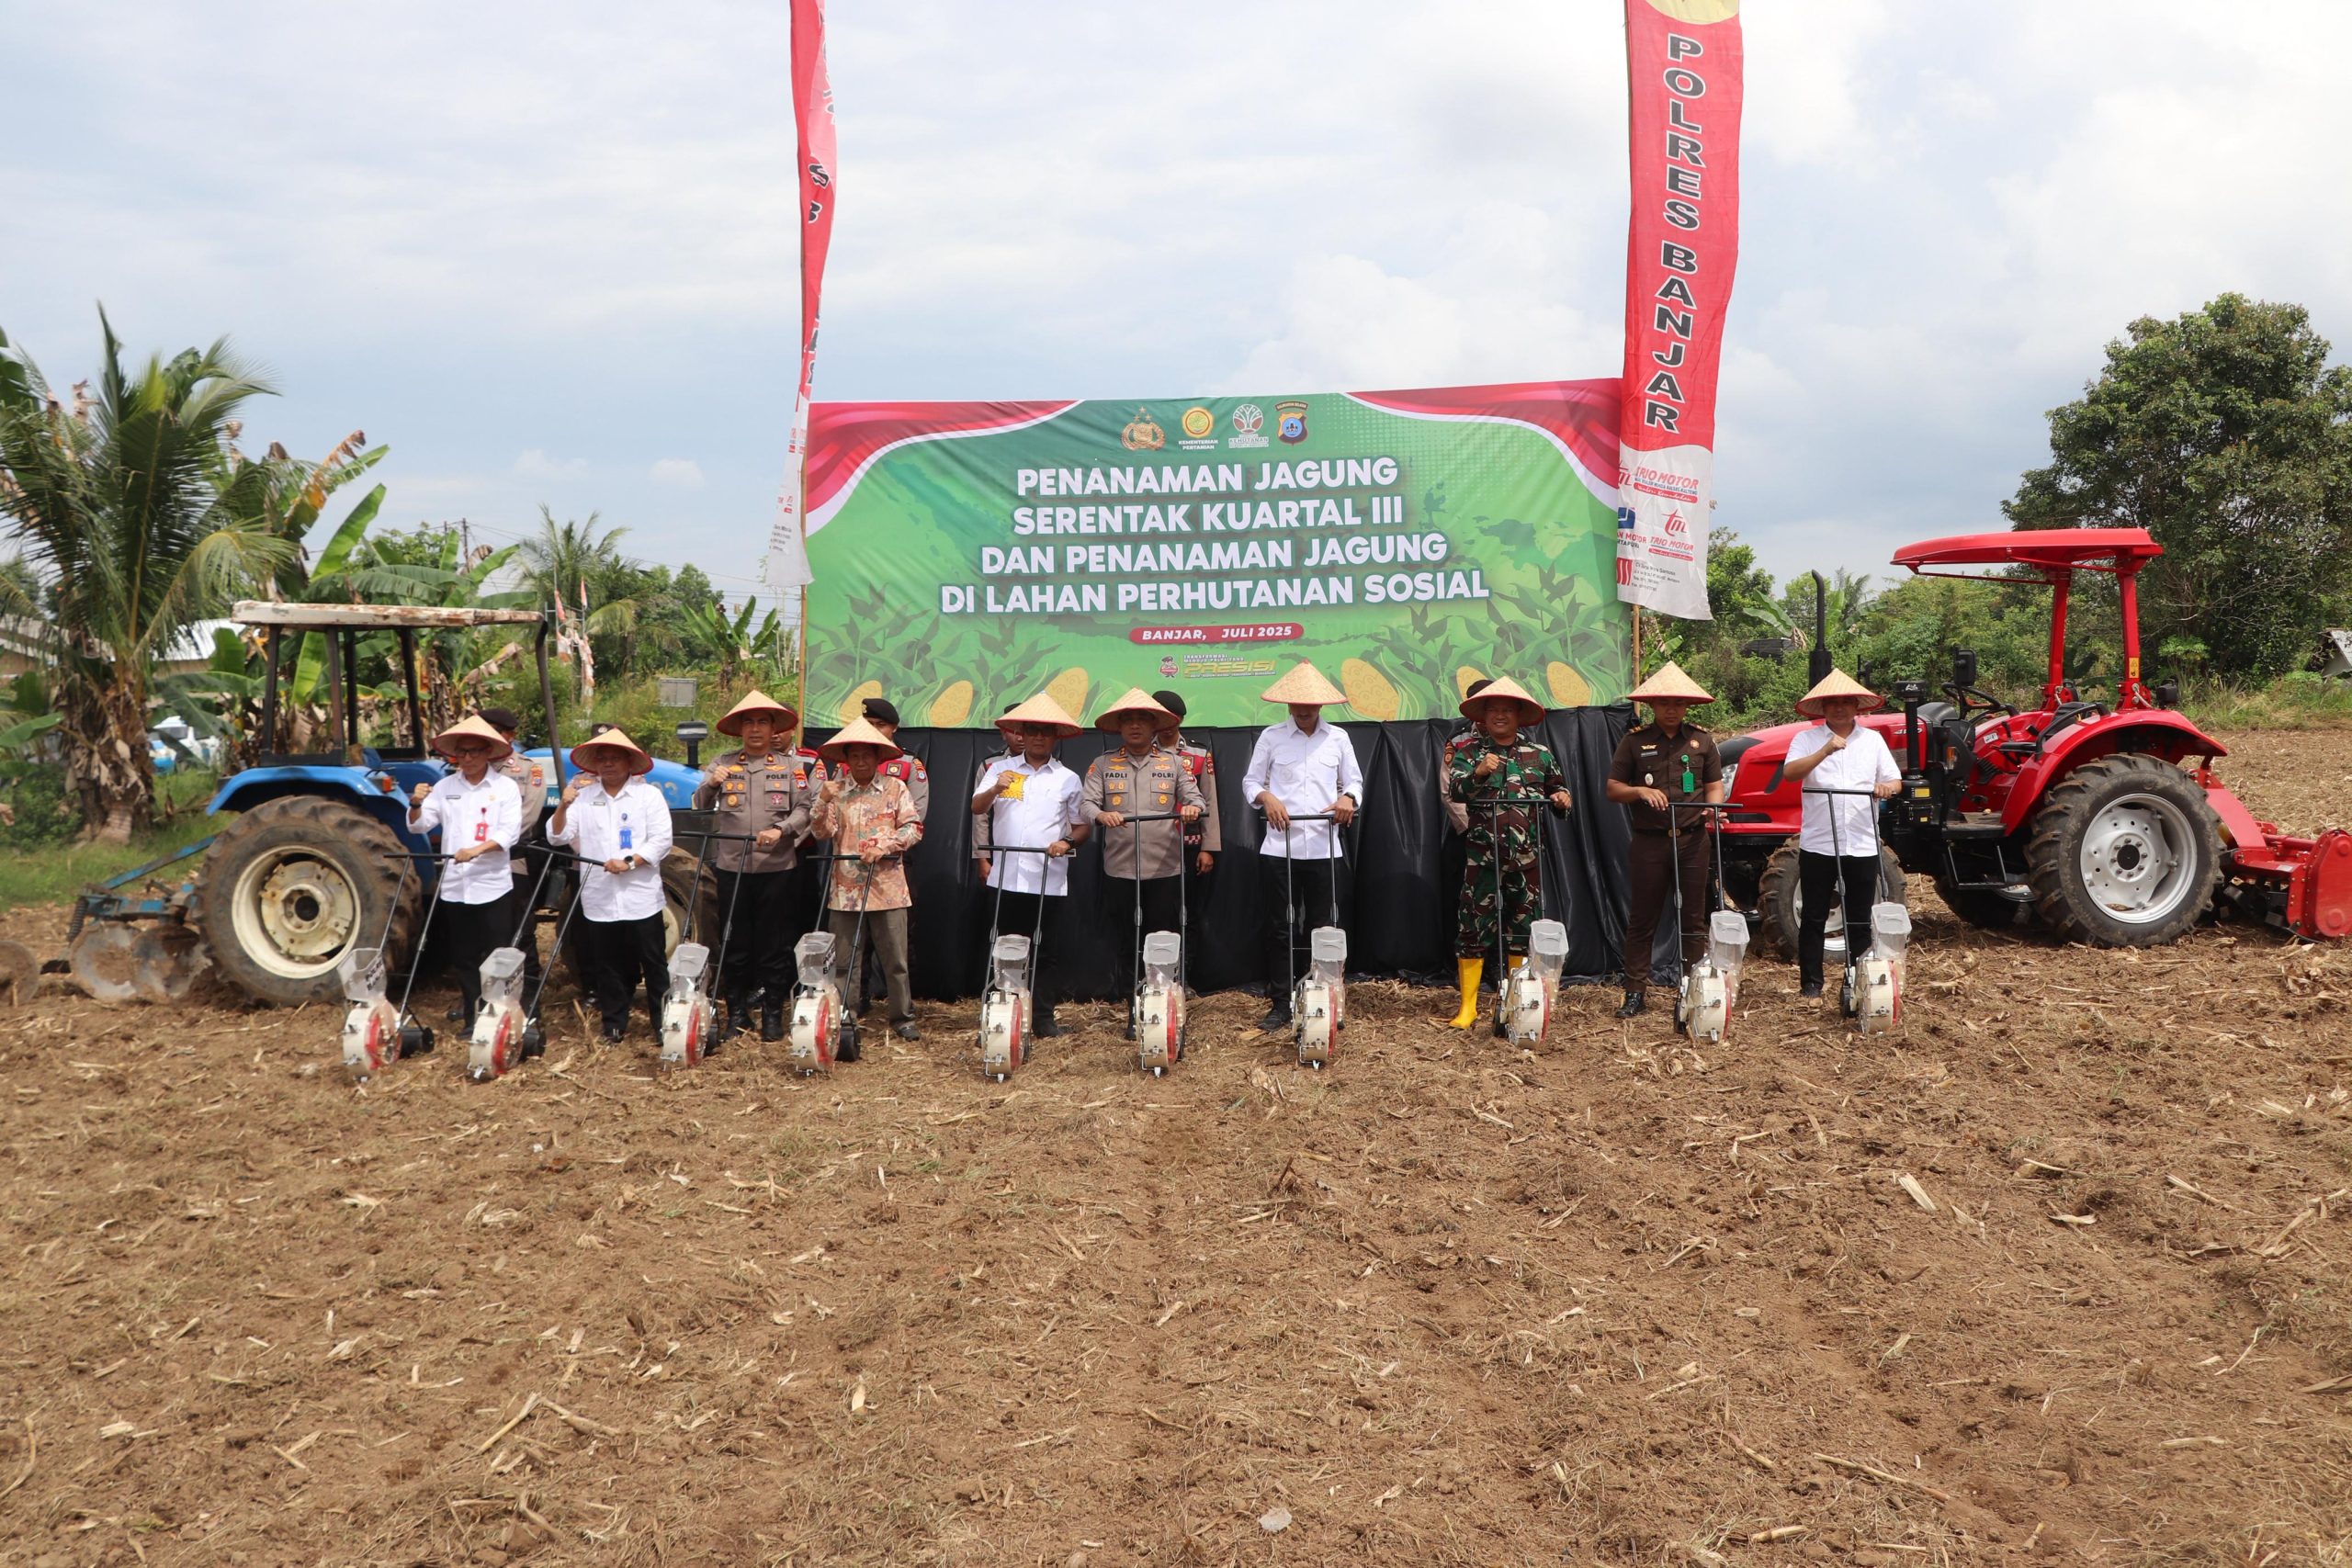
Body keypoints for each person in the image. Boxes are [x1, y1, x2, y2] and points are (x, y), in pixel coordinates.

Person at [1441, 677, 1573, 1028]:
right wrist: (1479, 773)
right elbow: (1454, 791)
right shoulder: (1469, 751)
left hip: (1526, 857)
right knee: (1472, 926)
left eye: (1507, 711)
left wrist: (1563, 800)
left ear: (1519, 716)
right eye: (1493, 710)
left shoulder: (1539, 754)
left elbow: (1558, 790)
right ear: (1483, 716)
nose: (1500, 716)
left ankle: (1517, 998)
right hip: (1482, 856)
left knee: (1522, 926)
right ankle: (1468, 1007)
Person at [1241, 661, 1363, 1032]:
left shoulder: (1338, 738)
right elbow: (1249, 781)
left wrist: (1348, 799)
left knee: (1324, 926)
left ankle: (1326, 998)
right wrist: (1266, 797)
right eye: (1297, 702)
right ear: (1288, 704)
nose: (1304, 708)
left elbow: (1355, 782)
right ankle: (1281, 1001)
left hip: (1326, 847)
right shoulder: (1271, 736)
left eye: (1310, 702)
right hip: (1280, 847)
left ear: (1322, 704)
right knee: (1280, 926)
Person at [1604, 662, 1724, 1018]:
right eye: (1664, 703)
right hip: (1650, 842)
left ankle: (1692, 988)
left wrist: (1713, 809)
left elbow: (1714, 786)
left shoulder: (1702, 740)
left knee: (1693, 919)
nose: (1671, 710)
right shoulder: (1635, 741)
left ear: (1686, 706)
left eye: (1678, 703)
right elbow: (1613, 789)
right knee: (1643, 919)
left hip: (1692, 840)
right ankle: (1635, 992)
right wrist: (1640, 791)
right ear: (1653, 706)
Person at [693, 689, 814, 1043]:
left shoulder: (793, 767)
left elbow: (805, 810)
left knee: (775, 944)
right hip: (731, 867)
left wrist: (781, 830)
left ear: (773, 728)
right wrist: (711, 785)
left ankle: (774, 1014)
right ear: (740, 729)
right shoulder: (723, 763)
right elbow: (699, 805)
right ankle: (737, 1014)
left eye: (763, 722)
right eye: (749, 722)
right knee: (735, 943)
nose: (756, 729)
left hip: (777, 868)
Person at [1084, 689, 1206, 1033]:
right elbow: (1086, 805)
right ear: (1120, 728)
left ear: (1155, 726)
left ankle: (1165, 1007)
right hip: (1120, 870)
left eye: (1142, 720)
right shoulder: (1104, 764)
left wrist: (1191, 808)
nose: (1135, 726)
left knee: (1163, 940)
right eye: (1128, 721)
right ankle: (1133, 1013)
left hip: (1165, 868)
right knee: (1127, 942)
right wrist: (1101, 815)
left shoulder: (1173, 764)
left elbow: (1195, 797)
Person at [971, 694, 1090, 1038]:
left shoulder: (1067, 778)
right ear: (1021, 734)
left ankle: (1042, 1019)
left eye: (1046, 732)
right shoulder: (998, 769)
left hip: (1048, 879)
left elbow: (1082, 826)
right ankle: (997, 1019)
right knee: (1002, 948)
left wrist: (1066, 842)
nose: (1039, 737)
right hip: (1005, 875)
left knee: (1046, 951)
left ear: (1055, 738)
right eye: (1032, 731)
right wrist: (995, 788)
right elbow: (977, 808)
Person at [546, 728, 673, 1043]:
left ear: (629, 762)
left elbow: (662, 840)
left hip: (641, 897)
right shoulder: (584, 797)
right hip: (600, 898)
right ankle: (614, 1024)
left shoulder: (648, 796)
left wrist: (630, 862)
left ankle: (663, 1024)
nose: (608, 765)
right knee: (609, 965)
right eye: (602, 759)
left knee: (654, 962)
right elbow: (557, 836)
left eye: (615, 758)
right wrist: (562, 806)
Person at [1781, 669, 1903, 998]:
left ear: (1856, 706)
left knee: (1860, 916)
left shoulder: (1872, 740)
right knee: (1814, 913)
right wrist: (1825, 751)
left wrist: (1886, 788)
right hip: (1819, 840)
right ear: (1823, 708)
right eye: (1832, 703)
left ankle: (1857, 976)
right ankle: (1811, 983)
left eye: (1845, 702)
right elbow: (1790, 773)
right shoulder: (1806, 739)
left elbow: (1894, 779)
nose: (1839, 708)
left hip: (1861, 840)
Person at [808, 716, 924, 1041]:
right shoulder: (836, 791)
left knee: (896, 960)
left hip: (888, 887)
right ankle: (845, 1014)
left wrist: (885, 845)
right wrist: (822, 801)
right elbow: (821, 831)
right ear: (845, 759)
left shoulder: (895, 788)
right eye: (854, 755)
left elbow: (913, 828)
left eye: (866, 755)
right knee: (844, 960)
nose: (860, 761)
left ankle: (902, 1017)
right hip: (845, 889)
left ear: (877, 758)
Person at [407, 714, 523, 1031]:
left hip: (493, 884)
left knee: (498, 955)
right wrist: (416, 802)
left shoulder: (505, 788)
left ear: (488, 753)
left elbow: (508, 834)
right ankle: (473, 1019)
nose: (468, 758)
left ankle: (499, 1016)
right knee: (464, 957)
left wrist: (476, 850)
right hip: (456, 887)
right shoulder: (444, 787)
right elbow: (419, 824)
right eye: (463, 753)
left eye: (475, 752)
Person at [1150, 689, 1221, 931]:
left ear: (1181, 719)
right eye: (1162, 718)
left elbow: (1210, 801)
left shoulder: (1199, 753)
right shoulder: (1142, 752)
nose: (1168, 724)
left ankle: (1186, 966)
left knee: (1188, 914)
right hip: (1151, 846)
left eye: (1175, 718)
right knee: (1155, 912)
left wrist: (1208, 849)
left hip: (1188, 846)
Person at [1441, 677, 1493, 837]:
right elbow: (1447, 791)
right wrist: (1471, 828)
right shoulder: (1459, 741)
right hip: (1474, 833)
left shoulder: (1519, 740)